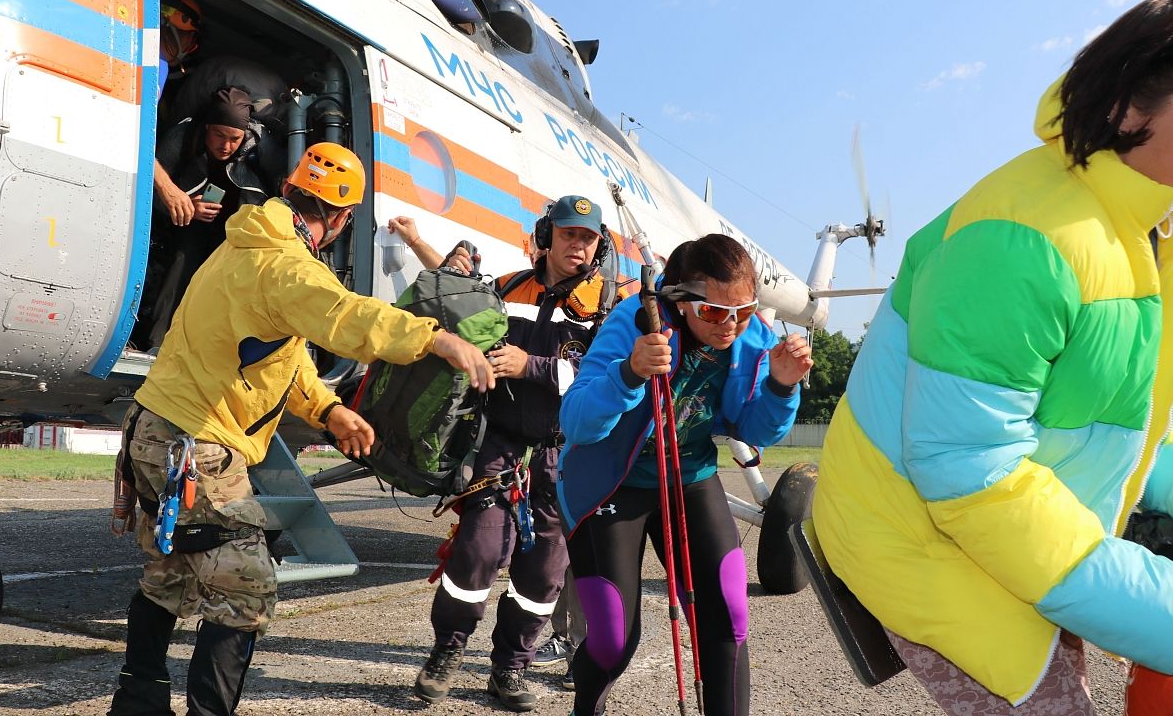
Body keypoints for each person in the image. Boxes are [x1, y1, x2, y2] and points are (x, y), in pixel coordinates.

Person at [812, 0, 1173, 716]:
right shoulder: (1023, 234)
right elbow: (965, 467)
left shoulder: (1150, 234)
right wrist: (1148, 602)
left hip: (1029, 538)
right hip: (923, 536)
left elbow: (1132, 423)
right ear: (1131, 109)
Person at [108, 142, 495, 716]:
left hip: (156, 430)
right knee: (246, 587)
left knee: (171, 573)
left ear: (291, 191)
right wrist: (433, 337)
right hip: (196, 444)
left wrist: (328, 410)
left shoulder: (246, 245)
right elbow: (344, 315)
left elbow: (274, 354)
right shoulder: (288, 265)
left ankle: (136, 701)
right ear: (340, 218)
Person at [557, 233, 813, 716]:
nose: (730, 325)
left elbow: (754, 430)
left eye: (743, 309)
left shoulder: (753, 336)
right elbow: (574, 420)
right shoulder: (634, 321)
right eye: (714, 312)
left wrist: (781, 386)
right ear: (680, 299)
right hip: (610, 483)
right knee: (613, 638)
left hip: (688, 474)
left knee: (730, 616)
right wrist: (628, 373)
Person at [414, 195, 614, 712]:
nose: (578, 245)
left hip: (563, 457)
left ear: (599, 247)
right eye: (569, 234)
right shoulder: (504, 290)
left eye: (588, 238)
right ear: (547, 237)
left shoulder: (607, 312)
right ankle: (446, 652)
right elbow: (457, 315)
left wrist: (534, 367)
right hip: (500, 450)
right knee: (478, 553)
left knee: (544, 576)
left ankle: (509, 667)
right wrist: (449, 269)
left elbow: (605, 381)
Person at [139, 87, 274, 349]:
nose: (225, 146)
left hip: (238, 229)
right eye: (218, 135)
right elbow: (150, 190)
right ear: (206, 128)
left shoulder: (259, 146)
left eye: (234, 138)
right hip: (189, 225)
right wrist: (184, 206)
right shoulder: (184, 136)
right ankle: (159, 342)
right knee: (183, 260)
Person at [154, 0, 204, 229]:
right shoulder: (155, 67)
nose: (190, 47)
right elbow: (128, 133)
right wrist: (167, 187)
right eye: (188, 38)